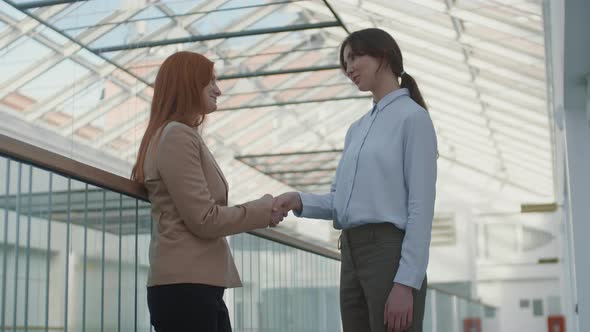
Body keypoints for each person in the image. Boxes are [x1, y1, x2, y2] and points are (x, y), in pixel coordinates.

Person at [273, 28, 437, 332]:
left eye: (354, 58)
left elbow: (421, 208)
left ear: (383, 56)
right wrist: (299, 199)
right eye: (344, 62)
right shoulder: (357, 129)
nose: (348, 69)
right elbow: (341, 201)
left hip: (389, 255)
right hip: (350, 253)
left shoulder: (413, 119)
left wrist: (406, 282)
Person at [131, 51, 284, 332]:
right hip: (186, 288)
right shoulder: (176, 135)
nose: (218, 89)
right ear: (189, 84)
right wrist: (264, 209)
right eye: (210, 81)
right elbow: (205, 219)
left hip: (193, 285)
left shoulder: (175, 134)